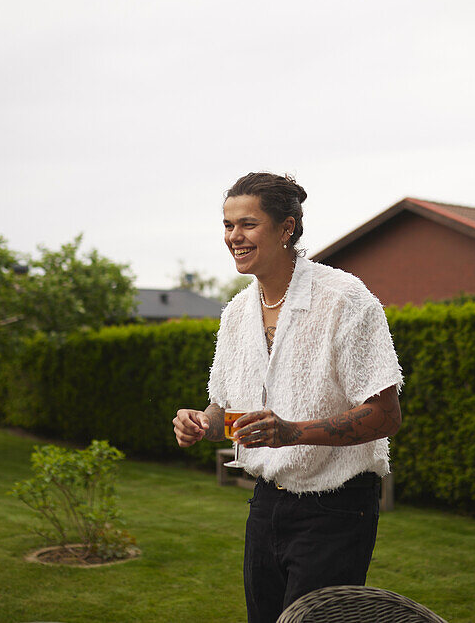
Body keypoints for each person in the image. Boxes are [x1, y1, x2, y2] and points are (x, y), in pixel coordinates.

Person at [172, 172, 404, 623]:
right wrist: (201, 422)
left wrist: (293, 432)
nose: (233, 237)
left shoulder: (345, 299)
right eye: (227, 225)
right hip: (264, 505)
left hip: (337, 507)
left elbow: (385, 415)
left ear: (286, 228)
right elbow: (224, 409)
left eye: (247, 224)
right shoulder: (236, 313)